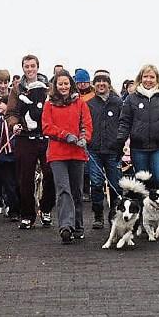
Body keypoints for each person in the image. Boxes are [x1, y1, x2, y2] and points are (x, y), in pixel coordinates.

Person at [42, 70, 93, 243]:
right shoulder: (49, 104)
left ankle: (78, 225)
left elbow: (86, 124)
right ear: (55, 86)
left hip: (77, 153)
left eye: (66, 83)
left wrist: (84, 138)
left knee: (77, 191)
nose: (63, 87)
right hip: (57, 153)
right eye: (60, 83)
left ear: (71, 84)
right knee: (63, 190)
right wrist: (65, 135)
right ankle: (65, 226)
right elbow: (46, 127)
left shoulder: (80, 103)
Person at [6, 54, 56, 229]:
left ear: (38, 66)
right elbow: (11, 112)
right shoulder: (17, 89)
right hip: (25, 137)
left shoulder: (49, 87)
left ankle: (46, 209)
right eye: (26, 66)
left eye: (32, 66)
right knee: (24, 178)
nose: (30, 69)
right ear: (23, 68)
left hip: (46, 136)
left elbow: (55, 109)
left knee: (50, 174)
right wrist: (14, 125)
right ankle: (27, 215)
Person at [116, 64, 159, 188]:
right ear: (140, 78)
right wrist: (121, 137)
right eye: (145, 76)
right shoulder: (131, 98)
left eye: (152, 77)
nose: (148, 80)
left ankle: (157, 202)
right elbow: (125, 120)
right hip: (138, 146)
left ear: (157, 79)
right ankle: (145, 204)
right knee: (142, 180)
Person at [86, 72, 123, 228]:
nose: (101, 84)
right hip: (94, 150)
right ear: (94, 84)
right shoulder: (89, 104)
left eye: (104, 81)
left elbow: (124, 124)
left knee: (115, 184)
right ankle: (98, 215)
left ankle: (114, 214)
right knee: (96, 183)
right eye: (98, 81)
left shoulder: (119, 103)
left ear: (109, 83)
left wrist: (121, 143)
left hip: (113, 150)